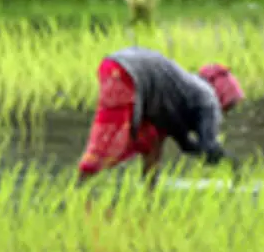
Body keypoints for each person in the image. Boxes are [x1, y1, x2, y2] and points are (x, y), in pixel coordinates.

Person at [75, 46, 244, 190]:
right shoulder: (209, 100)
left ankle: (149, 196)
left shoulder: (185, 91)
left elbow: (185, 144)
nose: (224, 114)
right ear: (222, 95)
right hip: (126, 73)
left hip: (115, 67)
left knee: (153, 140)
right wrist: (232, 163)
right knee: (109, 141)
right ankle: (76, 191)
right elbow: (209, 146)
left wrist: (204, 152)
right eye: (229, 107)